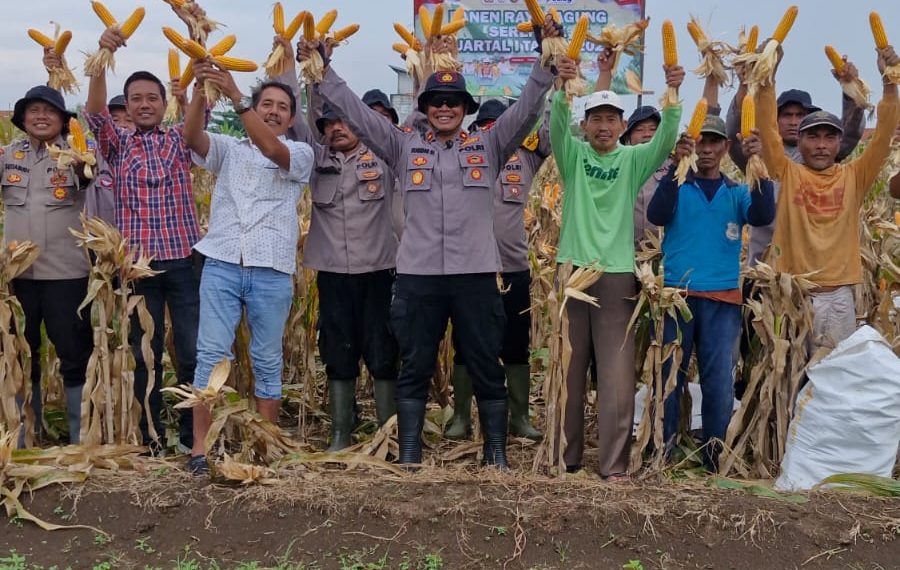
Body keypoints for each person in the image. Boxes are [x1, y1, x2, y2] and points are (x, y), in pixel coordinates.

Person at [300, 17, 565, 468]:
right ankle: (409, 452)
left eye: (453, 102)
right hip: (419, 277)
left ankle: (495, 452)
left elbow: (525, 109)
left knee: (484, 361)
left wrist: (545, 63)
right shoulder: (402, 146)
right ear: (425, 106)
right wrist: (324, 71)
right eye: (437, 102)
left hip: (475, 276)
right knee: (415, 364)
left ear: (465, 107)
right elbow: (358, 115)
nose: (445, 108)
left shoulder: (490, 144)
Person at [551, 62, 685, 480]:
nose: (604, 126)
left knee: (616, 375)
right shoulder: (572, 156)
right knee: (568, 372)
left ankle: (613, 465)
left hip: (617, 274)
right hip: (572, 272)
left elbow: (664, 140)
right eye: (596, 119)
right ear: (586, 125)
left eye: (611, 119)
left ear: (623, 125)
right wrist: (561, 89)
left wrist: (674, 93)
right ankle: (565, 458)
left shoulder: (632, 162)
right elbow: (556, 124)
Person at [182, 59, 314, 473]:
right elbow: (190, 136)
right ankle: (200, 450)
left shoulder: (298, 152)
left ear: (292, 118)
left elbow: (272, 149)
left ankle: (265, 447)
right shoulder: (227, 149)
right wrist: (203, 86)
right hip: (222, 262)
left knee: (267, 360)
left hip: (271, 268)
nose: (273, 111)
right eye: (266, 104)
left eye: (281, 107)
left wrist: (240, 99)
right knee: (210, 356)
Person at [273, 36, 400, 451]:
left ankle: (387, 433)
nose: (338, 129)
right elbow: (292, 116)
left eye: (345, 121)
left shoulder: (383, 155)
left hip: (379, 270)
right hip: (332, 273)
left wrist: (328, 69)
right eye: (330, 124)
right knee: (337, 350)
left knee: (382, 349)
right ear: (323, 130)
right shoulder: (315, 158)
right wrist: (296, 65)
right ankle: (340, 433)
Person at [84, 25, 201, 451]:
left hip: (184, 264)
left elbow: (198, 120)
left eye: (153, 97)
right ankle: (152, 437)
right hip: (137, 268)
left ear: (164, 103)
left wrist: (194, 73)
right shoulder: (118, 144)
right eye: (136, 98)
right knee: (144, 355)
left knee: (190, 352)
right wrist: (101, 56)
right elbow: (96, 114)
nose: (145, 104)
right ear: (128, 106)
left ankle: (192, 437)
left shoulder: (179, 140)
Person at [646, 116, 775, 469]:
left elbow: (764, 215)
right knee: (669, 378)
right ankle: (662, 449)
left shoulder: (735, 192)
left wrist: (756, 164)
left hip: (722, 300)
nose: (705, 149)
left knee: (718, 381)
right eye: (700, 142)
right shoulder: (677, 186)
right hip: (678, 297)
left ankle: (715, 455)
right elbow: (656, 214)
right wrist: (675, 165)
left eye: (713, 143)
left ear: (724, 148)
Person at [757, 46, 899, 350]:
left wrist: (890, 82)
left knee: (835, 381)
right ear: (800, 141)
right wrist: (767, 73)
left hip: (839, 298)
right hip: (793, 292)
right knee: (791, 381)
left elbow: (885, 131)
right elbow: (768, 128)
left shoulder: (855, 177)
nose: (821, 145)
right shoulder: (785, 171)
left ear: (839, 143)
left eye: (829, 136)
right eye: (813, 136)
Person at [444, 98, 549, 442]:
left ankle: (519, 417)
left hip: (514, 268)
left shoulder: (526, 158)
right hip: (473, 270)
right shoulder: (463, 155)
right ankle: (461, 418)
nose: (491, 130)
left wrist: (559, 88)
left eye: (498, 124)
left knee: (516, 346)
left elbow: (549, 133)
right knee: (466, 344)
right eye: (484, 125)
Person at [2, 85, 93, 445]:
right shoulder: (7, 156)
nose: (41, 117)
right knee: (22, 354)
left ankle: (79, 436)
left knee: (73, 352)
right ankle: (25, 434)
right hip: (17, 276)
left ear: (63, 120)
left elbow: (88, 177)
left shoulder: (76, 155)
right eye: (33, 111)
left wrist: (80, 160)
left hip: (66, 274)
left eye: (49, 111)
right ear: (23, 119)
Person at [726, 58, 867, 267]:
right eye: (787, 115)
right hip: (764, 267)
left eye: (800, 115)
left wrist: (850, 89)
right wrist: (745, 83)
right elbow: (735, 132)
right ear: (774, 118)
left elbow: (850, 133)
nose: (793, 122)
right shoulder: (756, 153)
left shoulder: (820, 156)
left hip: (812, 268)